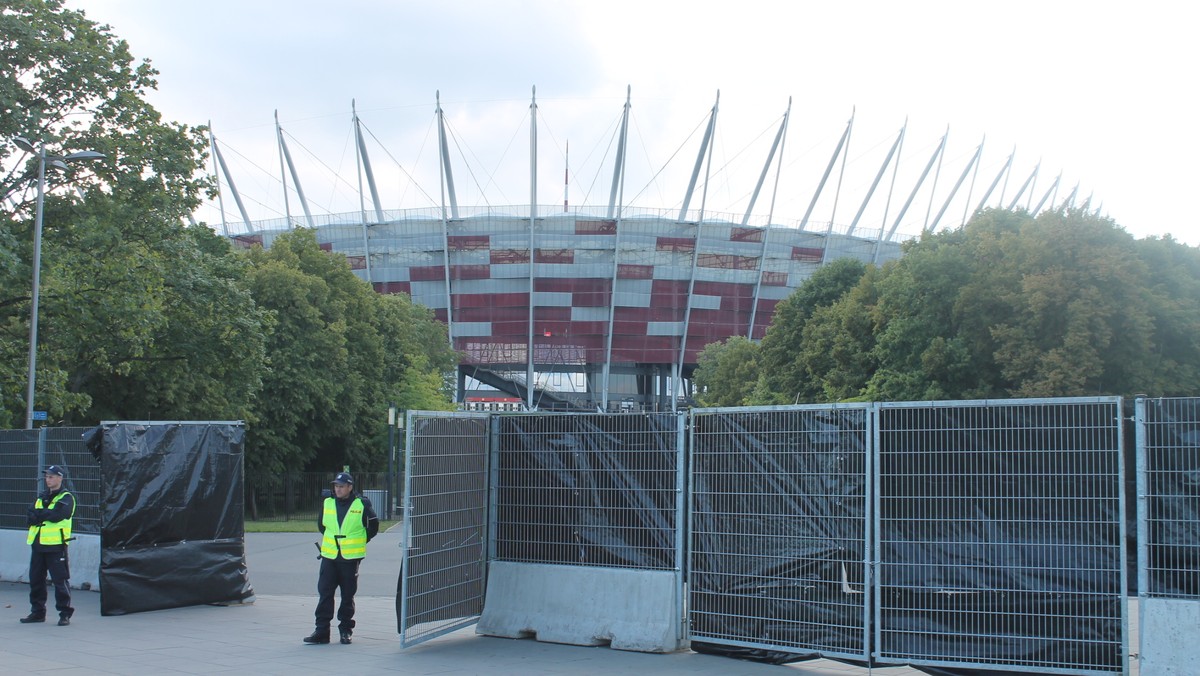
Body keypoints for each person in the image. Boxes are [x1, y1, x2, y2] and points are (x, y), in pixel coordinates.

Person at [304, 471, 378, 645]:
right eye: (336, 486)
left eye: (341, 486)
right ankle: (321, 632)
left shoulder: (361, 504)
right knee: (325, 593)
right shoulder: (328, 503)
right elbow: (322, 526)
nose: (338, 489)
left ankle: (345, 630)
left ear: (350, 487)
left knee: (347, 595)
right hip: (329, 556)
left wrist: (361, 540)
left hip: (350, 558)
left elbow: (373, 525)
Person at [21, 465, 76, 626]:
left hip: (56, 546)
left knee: (60, 580)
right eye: (47, 477)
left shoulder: (66, 498)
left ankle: (64, 613)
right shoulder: (41, 497)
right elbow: (30, 515)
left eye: (51, 476)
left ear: (60, 478)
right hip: (38, 545)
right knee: (36, 580)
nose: (48, 479)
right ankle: (37, 612)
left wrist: (40, 514)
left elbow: (58, 515)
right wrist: (42, 515)